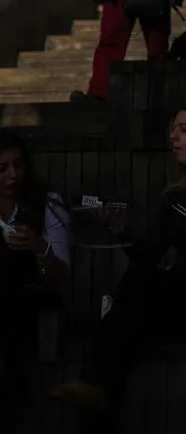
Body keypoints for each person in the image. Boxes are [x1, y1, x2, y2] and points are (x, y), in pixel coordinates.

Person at [49, 101, 186, 416]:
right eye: (172, 130)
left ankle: (95, 385)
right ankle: (96, 390)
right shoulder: (175, 198)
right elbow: (147, 258)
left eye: (183, 130)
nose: (173, 137)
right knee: (132, 296)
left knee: (124, 318)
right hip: (179, 299)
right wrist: (119, 229)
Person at [0, 133, 70, 427]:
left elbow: (57, 277)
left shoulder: (47, 204)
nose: (13, 174)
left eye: (18, 165)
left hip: (29, 301)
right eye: (2, 168)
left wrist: (40, 249)